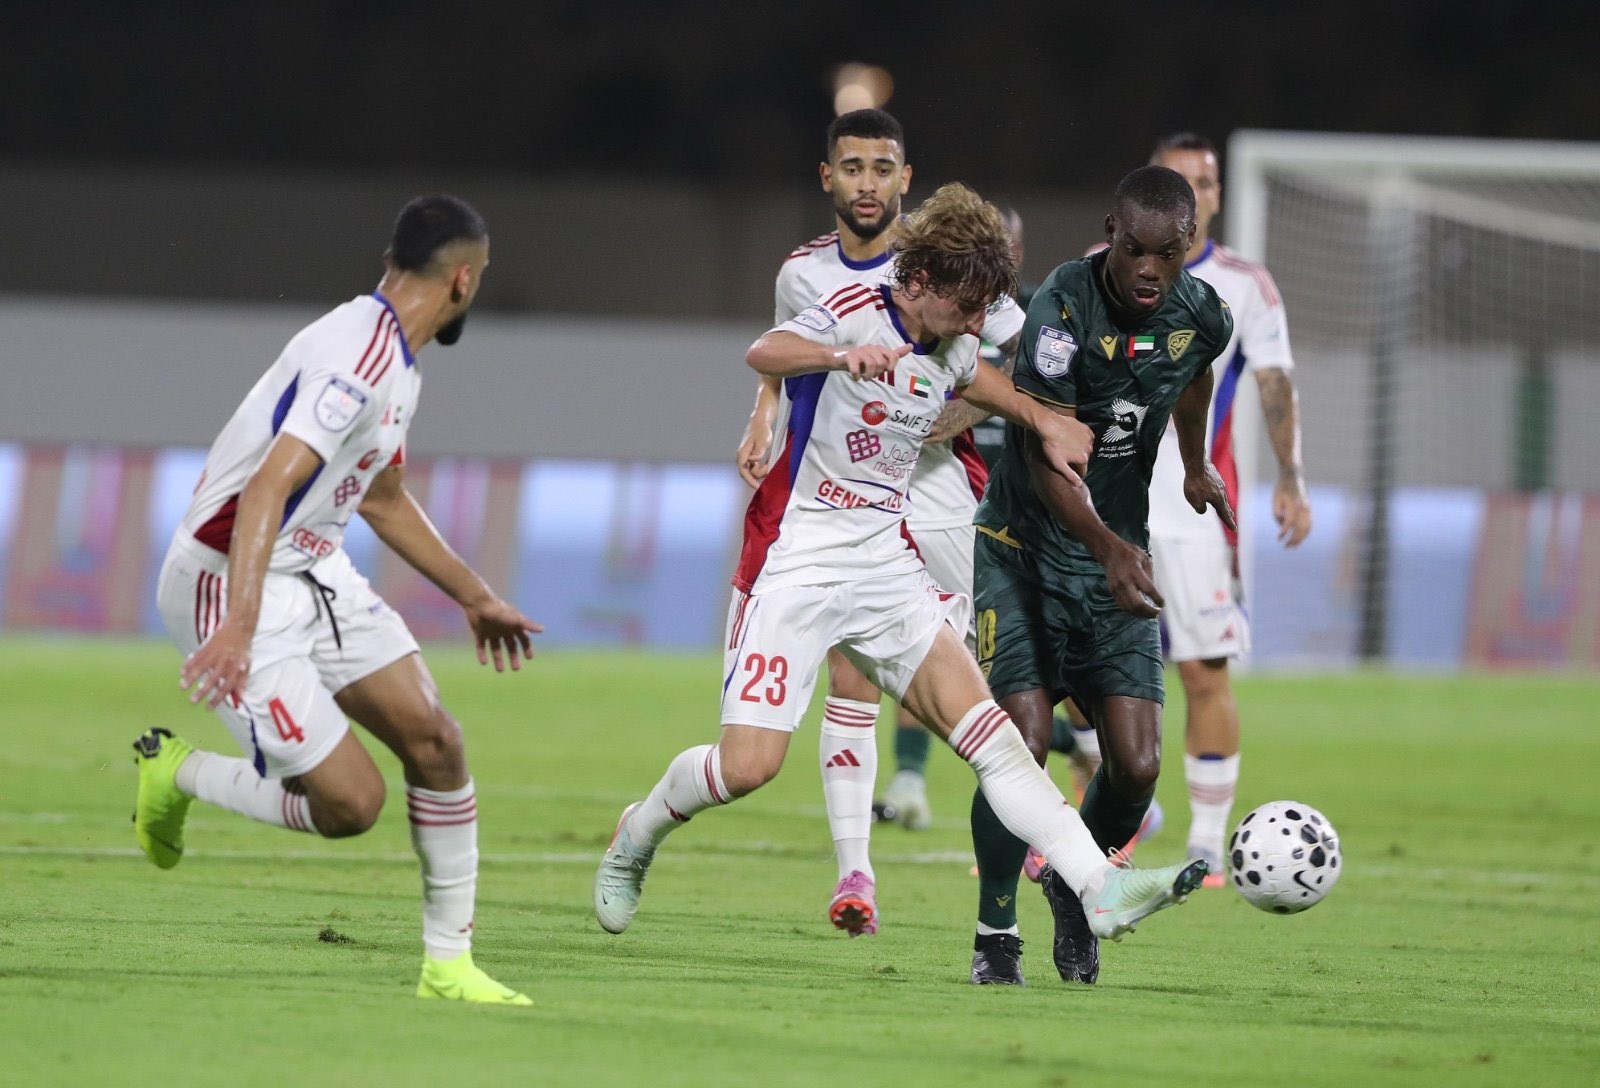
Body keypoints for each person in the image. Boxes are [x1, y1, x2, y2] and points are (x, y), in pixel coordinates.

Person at [595, 182, 1208, 956]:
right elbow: (764, 350)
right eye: (970, 307)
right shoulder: (854, 309)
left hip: (886, 568)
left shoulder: (952, 340)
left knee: (994, 740)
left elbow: (974, 377)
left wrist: (1044, 417)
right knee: (748, 767)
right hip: (805, 562)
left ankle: (1099, 887)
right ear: (920, 281)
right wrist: (836, 356)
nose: (979, 324)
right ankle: (639, 831)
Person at [131, 195, 539, 1006]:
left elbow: (381, 498)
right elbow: (266, 490)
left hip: (315, 569)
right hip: (228, 579)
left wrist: (475, 596)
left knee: (436, 741)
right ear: (463, 280)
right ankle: (178, 772)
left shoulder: (398, 362)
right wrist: (239, 625)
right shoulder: (360, 362)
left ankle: (449, 967)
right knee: (352, 806)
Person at [734, 109, 1025, 937]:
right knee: (854, 671)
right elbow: (784, 356)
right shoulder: (804, 272)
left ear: (905, 178)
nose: (868, 183)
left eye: (882, 168)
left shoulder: (942, 265)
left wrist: (954, 415)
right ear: (829, 177)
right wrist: (762, 416)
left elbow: (1010, 349)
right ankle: (856, 866)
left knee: (989, 656)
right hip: (844, 492)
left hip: (937, 488)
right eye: (853, 167)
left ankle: (1054, 783)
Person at [967, 166, 1235, 986]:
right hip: (1021, 551)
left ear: (1188, 245)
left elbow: (1194, 374)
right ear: (1110, 233)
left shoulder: (1203, 314)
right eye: (1135, 250)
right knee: (1022, 747)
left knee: (1139, 766)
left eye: (1168, 254)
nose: (1150, 270)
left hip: (1115, 560)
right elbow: (1047, 455)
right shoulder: (1061, 310)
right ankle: (995, 934)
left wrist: (1195, 464)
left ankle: (1074, 890)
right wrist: (1112, 548)